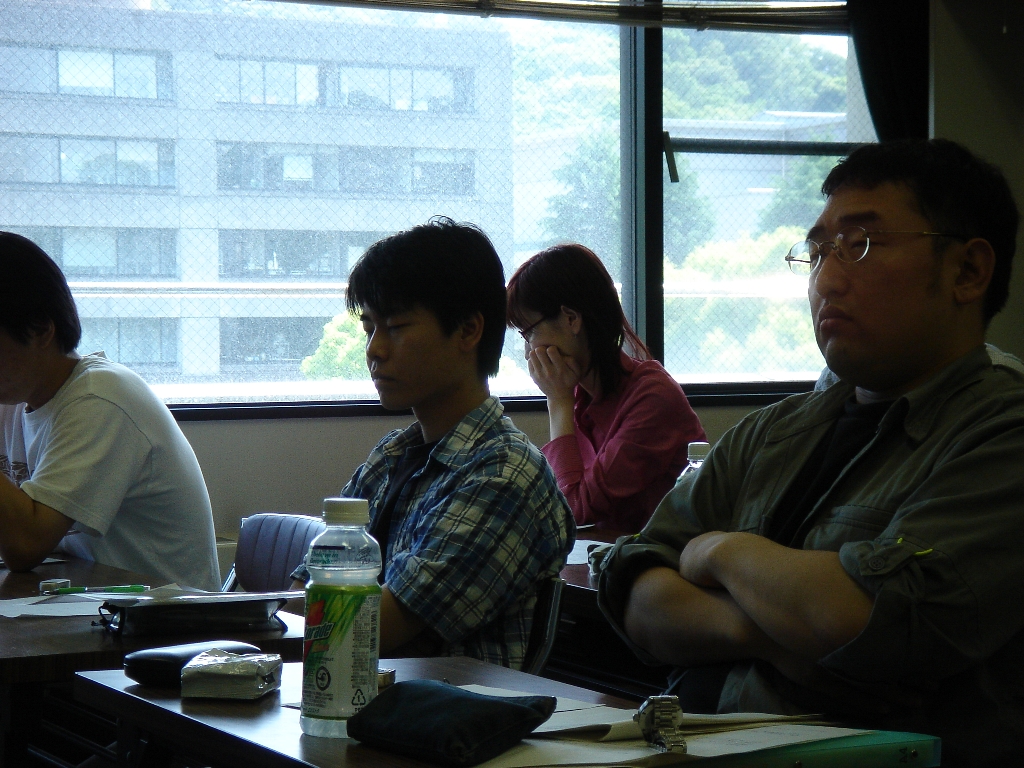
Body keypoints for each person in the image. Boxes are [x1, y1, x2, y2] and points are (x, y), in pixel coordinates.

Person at [597, 139, 1023, 767]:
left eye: (860, 245)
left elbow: (865, 620)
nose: (826, 278)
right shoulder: (774, 431)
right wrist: (767, 634)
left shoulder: (1001, 434)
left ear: (968, 272)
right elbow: (634, 589)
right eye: (818, 251)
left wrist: (721, 550)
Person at [291, 217, 574, 670]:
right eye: (369, 329)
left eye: (396, 327)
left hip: (438, 710)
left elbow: (372, 629)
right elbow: (302, 592)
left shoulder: (503, 474)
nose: (374, 350)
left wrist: (260, 626)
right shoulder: (391, 456)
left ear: (468, 330)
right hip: (355, 696)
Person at [0, 232, 220, 590]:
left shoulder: (100, 398)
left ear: (40, 330)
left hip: (167, 617)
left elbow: (26, 545)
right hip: (89, 606)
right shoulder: (13, 398)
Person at [507, 244, 705, 532]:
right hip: (609, 552)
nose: (528, 352)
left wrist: (557, 402)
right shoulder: (580, 395)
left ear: (571, 319)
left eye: (529, 333)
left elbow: (572, 510)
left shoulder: (653, 398)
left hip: (665, 554)